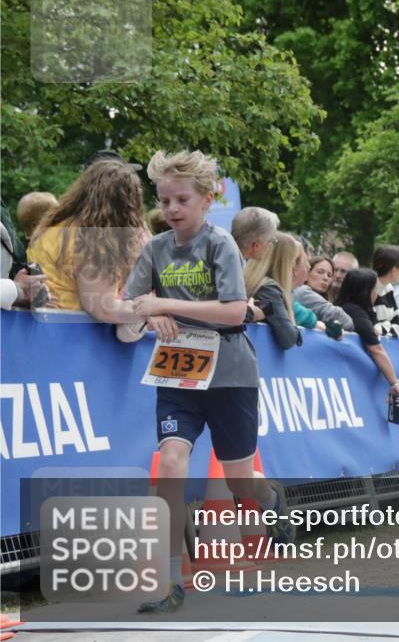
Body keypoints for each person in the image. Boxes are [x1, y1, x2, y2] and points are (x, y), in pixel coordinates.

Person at [124, 150, 292, 614]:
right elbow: (128, 303)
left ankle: (270, 497)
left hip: (230, 372)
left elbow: (235, 311)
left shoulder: (221, 245)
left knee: (239, 482)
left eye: (182, 200)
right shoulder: (155, 249)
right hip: (177, 373)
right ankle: (167, 581)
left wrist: (164, 306)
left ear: (206, 200)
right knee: (171, 463)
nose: (172, 209)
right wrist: (147, 315)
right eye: (164, 201)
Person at [27, 159, 149, 321]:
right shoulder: (94, 238)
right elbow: (104, 309)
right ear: (128, 203)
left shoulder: (56, 227)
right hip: (72, 327)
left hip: (44, 324)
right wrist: (153, 310)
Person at [335, 268, 399, 408]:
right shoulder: (355, 312)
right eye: (375, 288)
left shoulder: (351, 309)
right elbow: (376, 349)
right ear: (366, 291)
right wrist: (395, 384)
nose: (377, 293)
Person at [244, 232, 315, 349]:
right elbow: (287, 338)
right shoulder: (269, 289)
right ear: (288, 262)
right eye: (296, 260)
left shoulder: (259, 284)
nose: (308, 266)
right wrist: (297, 332)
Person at [292, 256, 355, 333]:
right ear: (307, 272)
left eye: (329, 275)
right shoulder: (302, 292)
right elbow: (344, 320)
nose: (325, 278)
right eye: (320, 272)